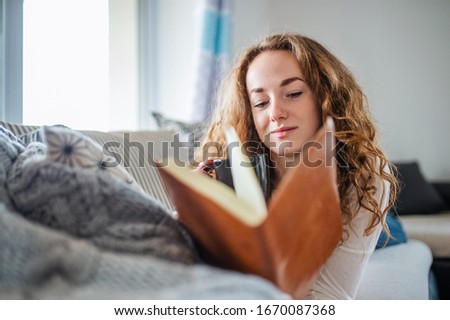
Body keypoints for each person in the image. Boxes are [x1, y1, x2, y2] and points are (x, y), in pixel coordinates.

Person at [195, 33, 398, 299]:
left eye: (292, 93)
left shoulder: (364, 176)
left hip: (371, 217)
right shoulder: (234, 167)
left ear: (326, 96)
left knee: (394, 233)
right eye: (261, 103)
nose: (275, 113)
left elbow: (331, 297)